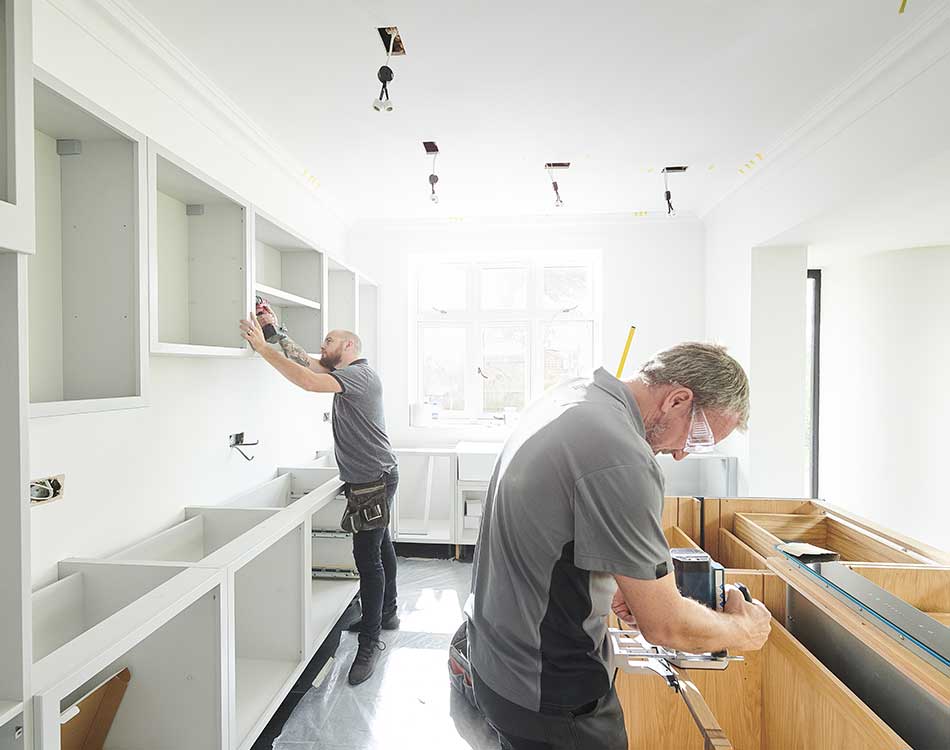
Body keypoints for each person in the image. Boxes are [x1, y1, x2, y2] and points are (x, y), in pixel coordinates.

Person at [467, 342, 772, 750]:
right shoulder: (622, 456)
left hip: (497, 662)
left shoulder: (574, 395)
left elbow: (552, 521)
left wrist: (619, 579)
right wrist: (744, 629)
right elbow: (666, 625)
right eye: (698, 436)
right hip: (551, 692)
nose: (682, 453)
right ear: (677, 399)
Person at [239, 306, 398, 686]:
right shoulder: (346, 374)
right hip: (373, 476)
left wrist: (263, 349)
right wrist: (274, 331)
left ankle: (370, 642)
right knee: (381, 546)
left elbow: (309, 381)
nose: (322, 346)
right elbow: (308, 363)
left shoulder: (359, 376)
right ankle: (387, 613)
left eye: (328, 340)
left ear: (348, 346)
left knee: (368, 560)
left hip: (372, 481)